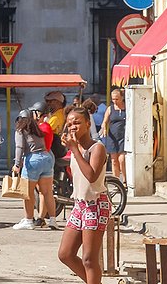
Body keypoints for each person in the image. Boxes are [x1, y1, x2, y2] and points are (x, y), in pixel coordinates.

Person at [57, 106, 110, 284]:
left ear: (88, 124)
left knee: (89, 259)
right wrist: (73, 148)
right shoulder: (75, 148)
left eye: (77, 123)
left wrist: (75, 150)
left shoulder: (97, 148)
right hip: (80, 204)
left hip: (96, 204)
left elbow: (91, 176)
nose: (73, 127)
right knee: (65, 254)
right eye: (70, 123)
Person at [11, 109, 56, 230]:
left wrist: (17, 164)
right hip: (46, 158)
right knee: (47, 192)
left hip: (32, 160)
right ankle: (52, 220)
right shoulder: (38, 129)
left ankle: (28, 220)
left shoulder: (21, 130)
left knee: (27, 193)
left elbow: (19, 147)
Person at [99, 88, 127, 186]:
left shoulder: (127, 107)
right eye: (113, 99)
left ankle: (124, 180)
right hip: (112, 137)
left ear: (122, 98)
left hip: (123, 136)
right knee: (114, 160)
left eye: (117, 99)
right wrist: (104, 129)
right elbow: (104, 122)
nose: (115, 101)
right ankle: (117, 182)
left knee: (122, 159)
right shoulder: (110, 108)